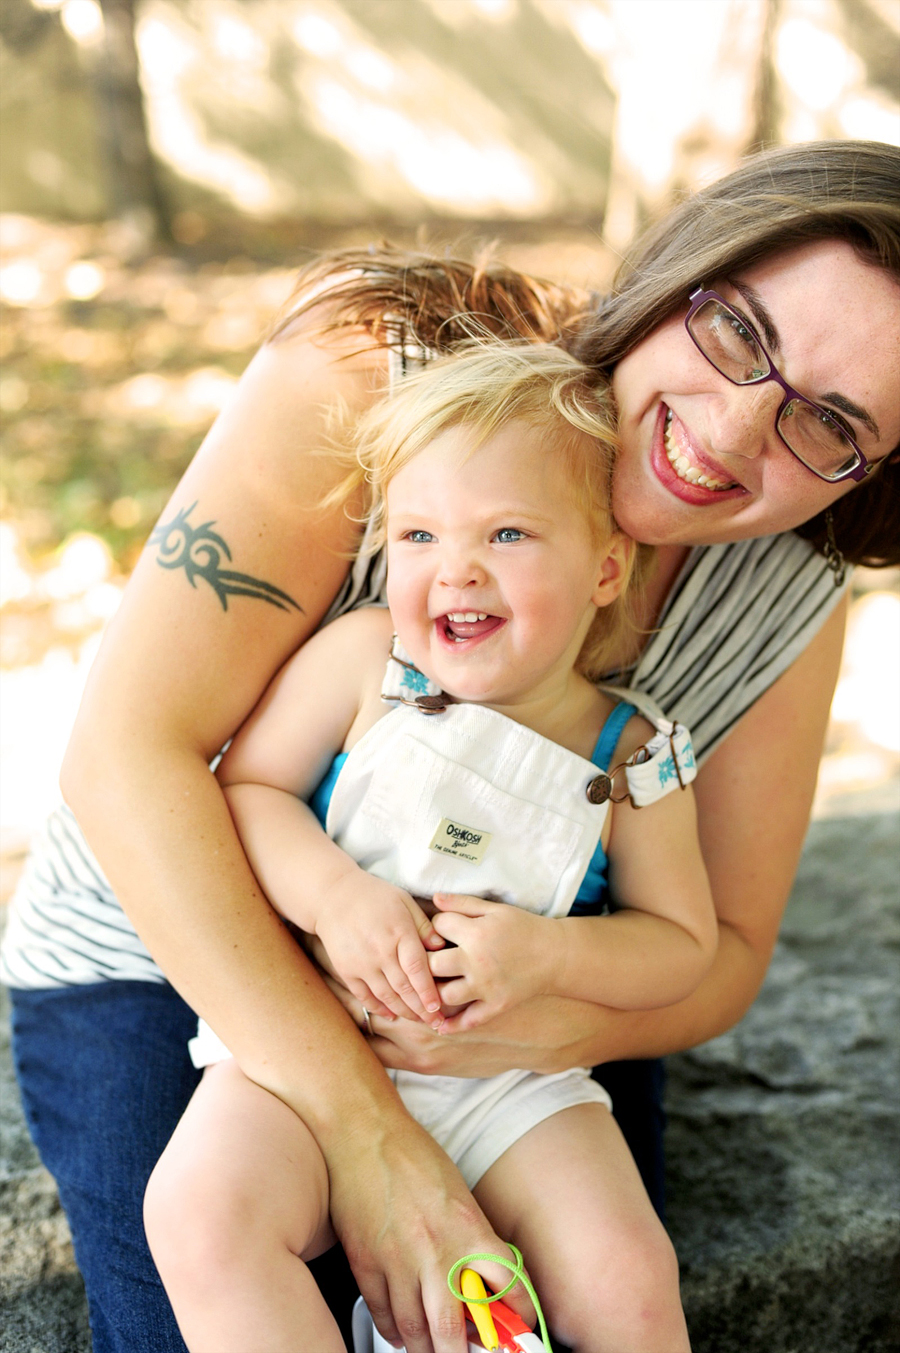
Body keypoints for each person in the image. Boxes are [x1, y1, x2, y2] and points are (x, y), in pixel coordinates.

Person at [2, 139, 899, 1353]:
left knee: (574, 1305)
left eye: (831, 422)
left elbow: (720, 949)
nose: (737, 432)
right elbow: (127, 756)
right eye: (740, 332)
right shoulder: (381, 374)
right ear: (684, 269)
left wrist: (532, 1023)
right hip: (179, 945)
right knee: (208, 1271)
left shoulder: (788, 595)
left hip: (510, 1004)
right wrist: (375, 1141)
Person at [143, 344, 716, 1353]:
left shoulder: (635, 755)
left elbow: (680, 943)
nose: (457, 567)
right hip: (310, 1041)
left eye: (506, 531)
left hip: (511, 1080)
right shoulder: (367, 662)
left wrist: (553, 957)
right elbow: (248, 792)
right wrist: (333, 896)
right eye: (418, 533)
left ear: (605, 567)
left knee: (626, 1271)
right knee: (201, 1211)